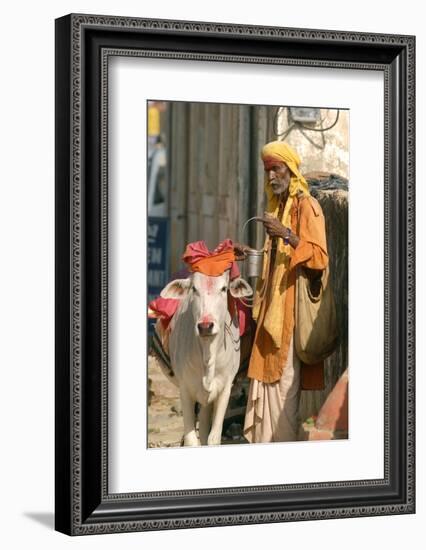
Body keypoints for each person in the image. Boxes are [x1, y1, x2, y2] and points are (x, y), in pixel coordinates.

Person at [234, 141, 329, 443]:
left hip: (289, 318)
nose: (272, 176)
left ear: (290, 170)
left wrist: (286, 234)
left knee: (284, 394)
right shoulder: (277, 209)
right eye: (268, 170)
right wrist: (249, 252)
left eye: (277, 169)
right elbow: (275, 263)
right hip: (269, 316)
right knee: (267, 389)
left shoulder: (307, 206)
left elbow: (319, 258)